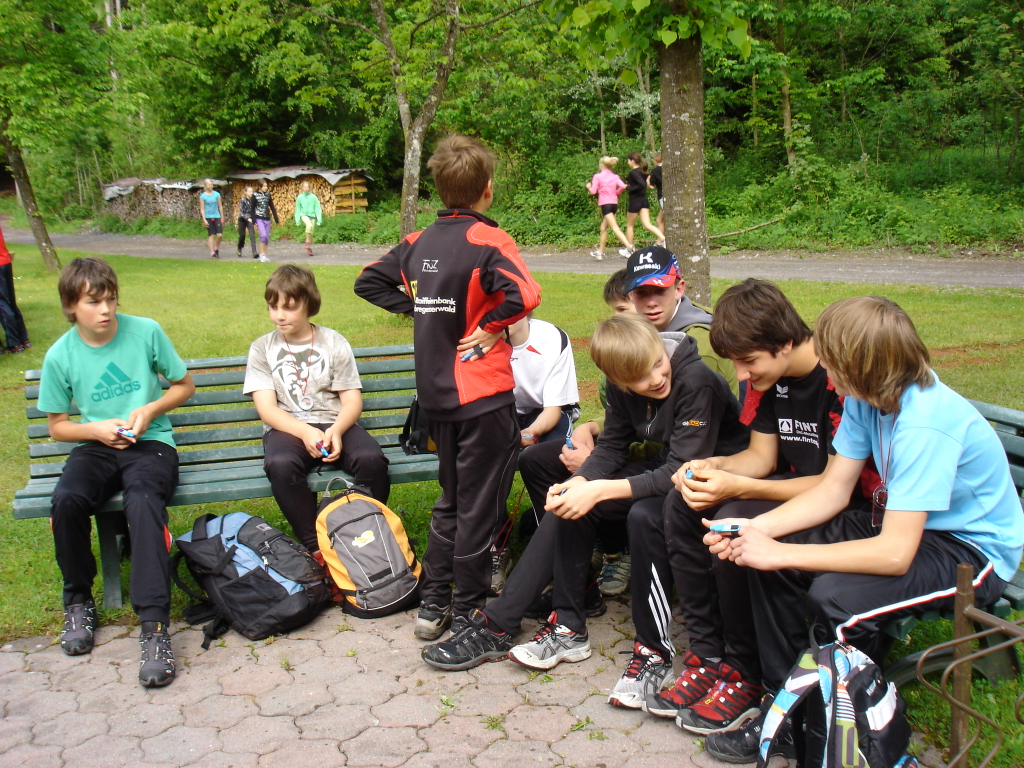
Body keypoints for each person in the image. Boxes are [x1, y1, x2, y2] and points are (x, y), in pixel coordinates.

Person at [704, 296, 1024, 764]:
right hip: (903, 523)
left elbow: (894, 554)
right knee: (766, 558)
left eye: (832, 363)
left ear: (863, 366)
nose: (825, 373)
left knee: (836, 600)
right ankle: (785, 709)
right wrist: (752, 529)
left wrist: (781, 552)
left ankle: (846, 740)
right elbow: (833, 491)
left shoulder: (925, 425)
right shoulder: (865, 398)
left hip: (968, 551)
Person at [421, 313, 747, 672]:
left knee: (589, 502)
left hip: (715, 481)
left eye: (658, 364)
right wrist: (579, 483)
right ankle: (566, 625)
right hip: (672, 469)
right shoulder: (623, 383)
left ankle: (502, 623)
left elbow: (679, 472)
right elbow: (612, 445)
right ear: (617, 380)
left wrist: (598, 490)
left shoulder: (696, 381)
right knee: (572, 502)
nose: (656, 379)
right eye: (640, 378)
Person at [621, 279, 861, 725]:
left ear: (784, 343)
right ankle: (708, 656)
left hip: (841, 507)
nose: (742, 376)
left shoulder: (839, 381)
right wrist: (713, 466)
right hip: (793, 490)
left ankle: (745, 671)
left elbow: (832, 486)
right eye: (736, 363)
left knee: (730, 519)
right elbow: (761, 458)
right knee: (681, 502)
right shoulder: (768, 374)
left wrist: (736, 488)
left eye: (747, 362)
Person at [354, 134, 541, 641]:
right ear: (488, 188)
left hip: (437, 398)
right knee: (480, 506)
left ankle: (433, 604)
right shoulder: (490, 240)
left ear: (438, 187)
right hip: (482, 398)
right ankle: (468, 612)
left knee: (452, 500)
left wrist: (421, 309)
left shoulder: (417, 242)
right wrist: (491, 325)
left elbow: (368, 281)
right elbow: (526, 293)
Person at [37, 257, 196, 687]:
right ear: (71, 306)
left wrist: (149, 410)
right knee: (67, 500)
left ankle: (154, 628)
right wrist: (95, 430)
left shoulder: (145, 331)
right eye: (93, 302)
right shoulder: (60, 355)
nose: (105, 309)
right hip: (96, 445)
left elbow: (184, 385)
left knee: (143, 501)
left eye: (110, 299)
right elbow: (57, 426)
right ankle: (78, 602)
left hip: (151, 443)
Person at [244, 264, 390, 555]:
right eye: (273, 307)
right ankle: (317, 549)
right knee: (281, 464)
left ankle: (366, 534)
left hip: (334, 422)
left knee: (371, 459)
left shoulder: (333, 341)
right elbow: (267, 409)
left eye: (289, 307)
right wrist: (305, 432)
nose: (279, 315)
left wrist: (337, 429)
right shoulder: (262, 348)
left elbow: (351, 400)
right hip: (287, 427)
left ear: (309, 304)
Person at [490, 312, 580, 595]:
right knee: (485, 460)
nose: (501, 320)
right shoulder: (484, 340)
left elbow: (553, 410)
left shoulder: (552, 338)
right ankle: (497, 548)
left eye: (510, 310)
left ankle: (557, 547)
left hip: (547, 412)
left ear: (525, 309)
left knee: (553, 458)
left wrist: (527, 435)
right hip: (503, 413)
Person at [587, 156, 631, 261]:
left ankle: (629, 247)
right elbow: (623, 186)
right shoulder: (614, 176)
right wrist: (616, 193)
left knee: (615, 228)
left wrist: (588, 187)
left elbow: (593, 191)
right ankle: (600, 252)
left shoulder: (597, 176)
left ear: (601, 165)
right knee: (603, 228)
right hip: (613, 204)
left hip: (605, 204)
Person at [0, 222, 31, 353]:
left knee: (2, 305)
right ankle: (23, 339)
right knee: (10, 302)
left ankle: (14, 343)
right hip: (5, 260)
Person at [625, 152, 665, 249]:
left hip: (635, 201)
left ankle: (630, 248)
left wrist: (628, 188)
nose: (628, 162)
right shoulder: (643, 171)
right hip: (643, 201)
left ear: (632, 161)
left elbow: (641, 184)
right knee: (647, 224)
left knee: (630, 226)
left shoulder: (634, 172)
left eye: (628, 160)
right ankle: (663, 239)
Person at [253, 179, 278, 263]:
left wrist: (276, 217)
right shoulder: (255, 195)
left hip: (267, 218)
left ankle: (264, 255)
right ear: (259, 187)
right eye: (264, 186)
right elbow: (252, 208)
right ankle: (262, 254)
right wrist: (253, 221)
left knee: (266, 237)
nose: (265, 187)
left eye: (266, 186)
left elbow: (271, 206)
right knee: (263, 235)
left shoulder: (268, 194)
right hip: (259, 218)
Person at [294, 181, 322, 257]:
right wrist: (297, 220)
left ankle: (309, 247)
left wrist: (319, 219)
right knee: (309, 225)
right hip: (304, 215)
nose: (306, 188)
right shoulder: (300, 197)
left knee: (311, 233)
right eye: (304, 187)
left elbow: (317, 208)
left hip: (312, 215)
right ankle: (307, 242)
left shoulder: (313, 197)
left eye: (307, 187)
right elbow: (298, 209)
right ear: (302, 188)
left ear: (309, 188)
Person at [199, 179, 224, 259]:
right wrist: (204, 219)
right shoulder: (202, 196)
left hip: (216, 216)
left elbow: (220, 206)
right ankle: (212, 252)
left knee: (219, 235)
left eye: (211, 184)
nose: (211, 186)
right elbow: (202, 209)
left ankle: (216, 248)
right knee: (211, 235)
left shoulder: (217, 195)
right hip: (208, 217)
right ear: (205, 186)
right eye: (209, 185)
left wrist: (222, 216)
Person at [236, 186, 258, 259]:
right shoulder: (243, 200)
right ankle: (239, 248)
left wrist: (254, 219)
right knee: (242, 235)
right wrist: (247, 218)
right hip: (242, 219)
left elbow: (255, 210)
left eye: (252, 191)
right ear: (245, 192)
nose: (251, 193)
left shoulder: (253, 200)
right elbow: (242, 212)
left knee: (252, 234)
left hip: (250, 219)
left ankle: (254, 252)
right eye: (249, 191)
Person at [647, 152, 664, 235]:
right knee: (659, 220)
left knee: (665, 219)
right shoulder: (668, 168)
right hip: (671, 197)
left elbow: (651, 186)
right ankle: (661, 240)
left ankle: (662, 239)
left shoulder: (654, 171)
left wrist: (647, 181)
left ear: (655, 160)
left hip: (662, 197)